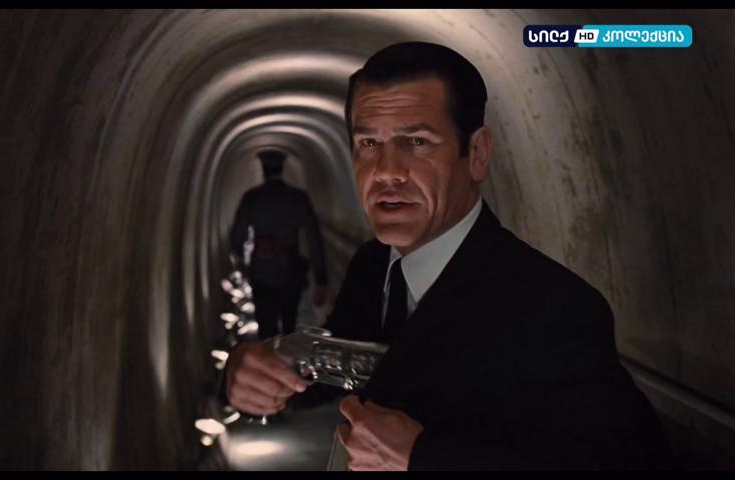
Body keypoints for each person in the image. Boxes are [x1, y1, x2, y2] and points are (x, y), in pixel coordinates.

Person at [224, 42, 673, 470]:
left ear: (476, 154)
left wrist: (425, 458)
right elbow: (358, 368)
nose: (386, 172)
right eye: (369, 144)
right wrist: (257, 371)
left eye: (417, 142)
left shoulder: (555, 309)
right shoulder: (372, 266)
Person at [229, 149, 329, 340]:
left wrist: (245, 267)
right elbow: (314, 238)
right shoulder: (298, 198)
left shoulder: (252, 198)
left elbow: (237, 237)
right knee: (289, 324)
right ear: (281, 169)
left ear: (263, 170)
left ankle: (268, 354)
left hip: (262, 271)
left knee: (266, 327)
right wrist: (321, 278)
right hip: (291, 270)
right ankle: (285, 354)